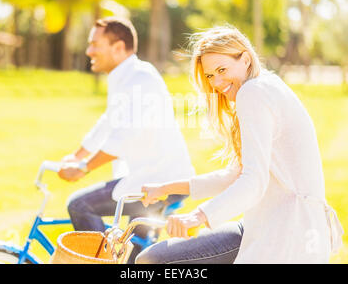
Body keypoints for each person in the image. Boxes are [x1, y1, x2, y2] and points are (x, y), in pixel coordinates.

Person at [136, 24, 344, 264]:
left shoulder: (254, 92)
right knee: (152, 258)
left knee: (154, 260)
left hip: (288, 233)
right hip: (262, 224)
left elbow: (254, 181)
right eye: (210, 75)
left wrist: (198, 216)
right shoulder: (264, 86)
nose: (217, 82)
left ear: (245, 59)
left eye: (222, 69)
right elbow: (235, 176)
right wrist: (166, 188)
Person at [57, 16, 195, 262]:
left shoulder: (141, 79)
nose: (89, 50)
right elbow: (109, 122)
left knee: (80, 205)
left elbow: (125, 136)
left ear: (118, 48)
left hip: (161, 181)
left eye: (95, 44)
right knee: (134, 261)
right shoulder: (125, 77)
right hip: (146, 180)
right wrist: (77, 156)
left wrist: (83, 168)